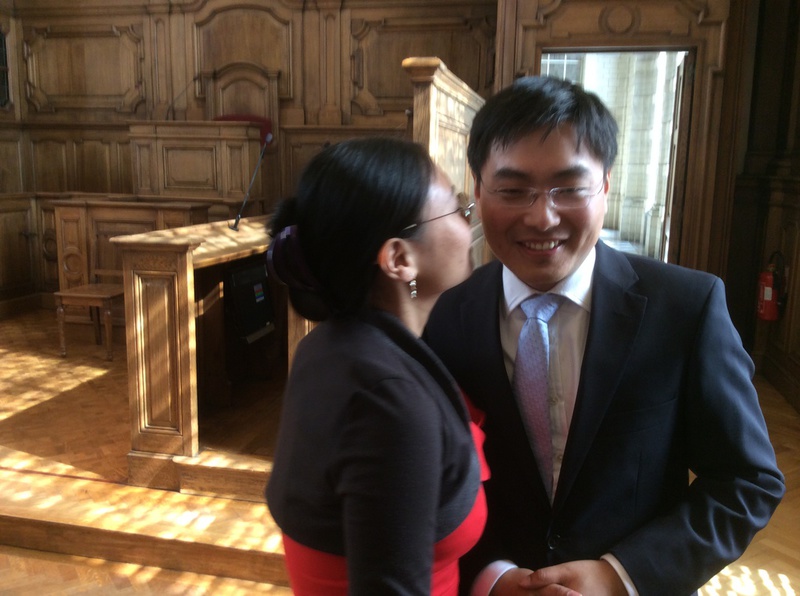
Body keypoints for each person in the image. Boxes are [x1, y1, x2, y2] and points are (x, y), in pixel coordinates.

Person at [423, 76, 785, 596]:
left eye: (569, 188)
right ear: (478, 191)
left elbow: (747, 481)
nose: (542, 217)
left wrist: (622, 575)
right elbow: (426, 483)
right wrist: (491, 576)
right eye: (513, 190)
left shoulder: (685, 307)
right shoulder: (444, 318)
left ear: (606, 187)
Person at [265, 136, 487, 595]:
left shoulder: (329, 346)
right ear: (400, 259)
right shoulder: (389, 401)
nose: (470, 219)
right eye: (456, 208)